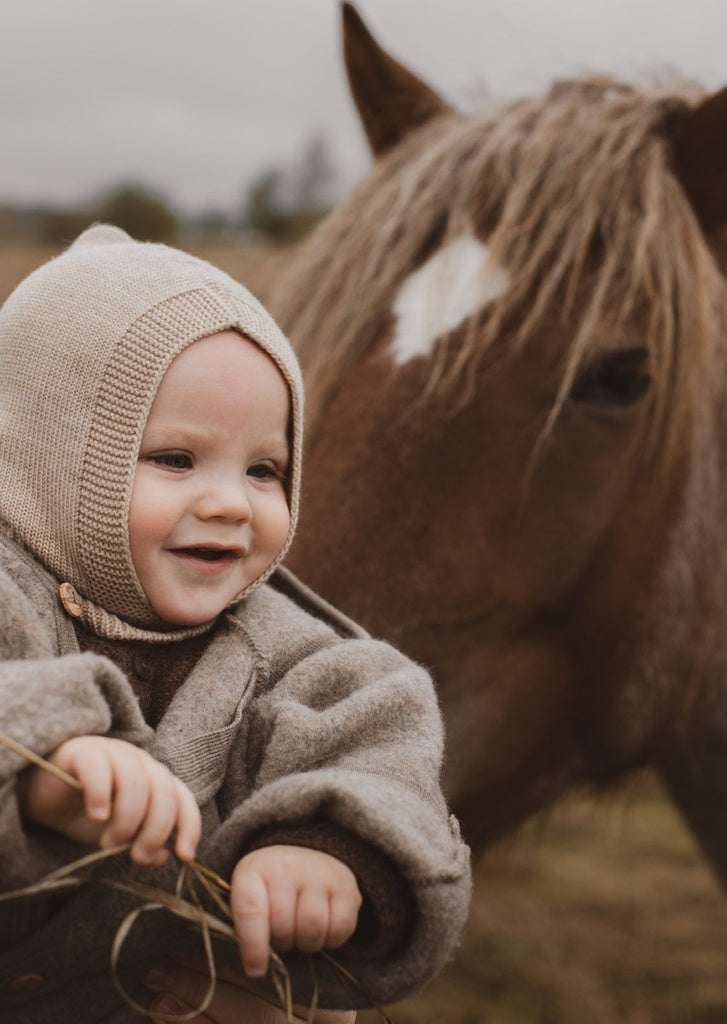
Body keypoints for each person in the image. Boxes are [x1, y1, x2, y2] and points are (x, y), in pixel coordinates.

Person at [0, 224, 471, 1023]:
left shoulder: (281, 651)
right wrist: (44, 765)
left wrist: (327, 852)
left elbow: (376, 751)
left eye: (264, 469)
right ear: (47, 455)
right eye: (176, 460)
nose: (230, 503)